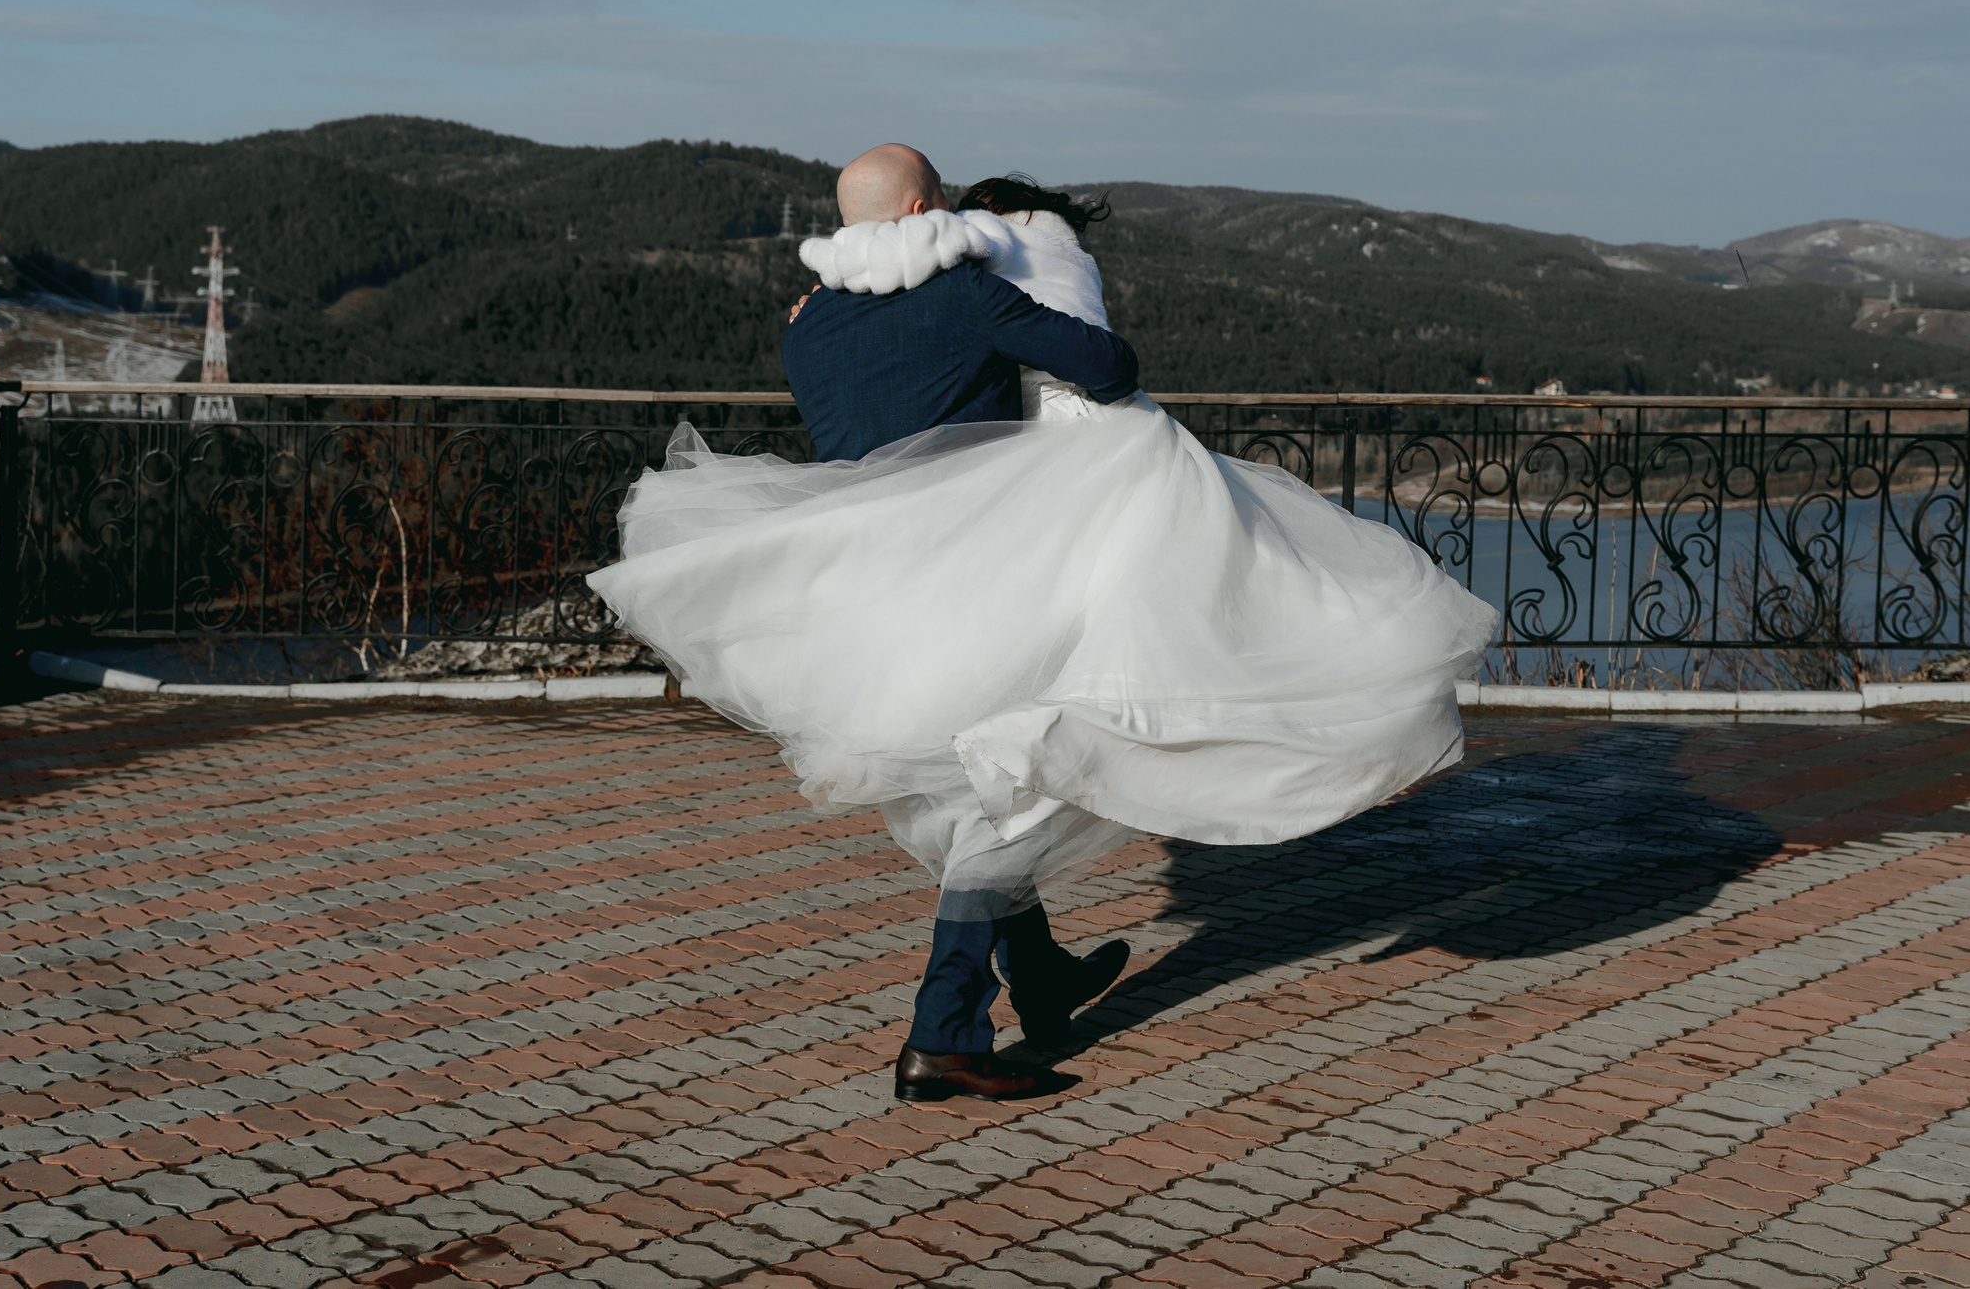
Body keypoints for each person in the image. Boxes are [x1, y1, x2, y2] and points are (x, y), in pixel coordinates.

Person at [589, 143, 1496, 1104]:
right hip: (982, 576)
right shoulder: (963, 294)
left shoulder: (808, 327)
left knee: (980, 781)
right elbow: (1109, 365)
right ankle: (943, 1034)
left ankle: (1042, 975)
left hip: (867, 597)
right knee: (1010, 788)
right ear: (925, 210)